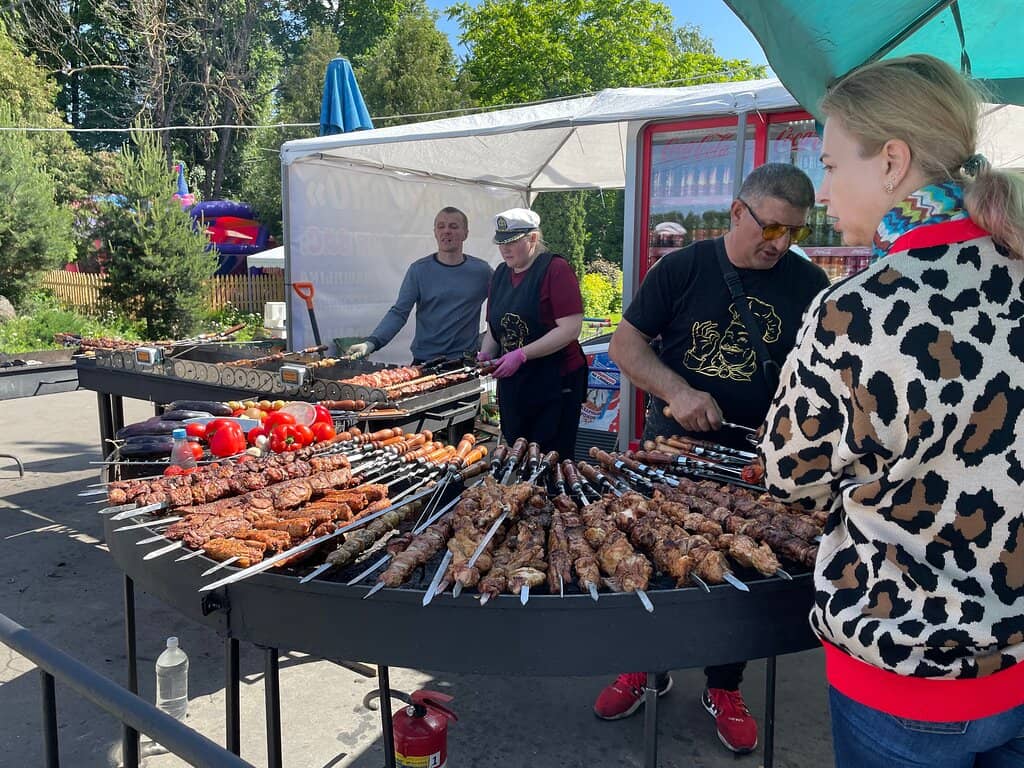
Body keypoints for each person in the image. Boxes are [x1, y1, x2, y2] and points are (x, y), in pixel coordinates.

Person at [760, 54, 1024, 768]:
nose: (823, 189)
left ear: (892, 162)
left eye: (832, 163)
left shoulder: (856, 309)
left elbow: (789, 477)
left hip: (905, 671)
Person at [598, 163, 830, 753]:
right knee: (648, 556)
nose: (779, 243)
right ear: (738, 213)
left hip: (756, 462)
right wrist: (677, 391)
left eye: (794, 232)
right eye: (771, 227)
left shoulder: (807, 285)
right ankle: (642, 667)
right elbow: (625, 346)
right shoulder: (682, 269)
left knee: (742, 577)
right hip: (671, 453)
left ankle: (724, 685)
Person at [478, 208, 587, 459]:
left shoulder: (555, 270)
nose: (505, 249)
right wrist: (486, 353)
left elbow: (570, 329)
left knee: (551, 458)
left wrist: (522, 355)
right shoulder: (501, 274)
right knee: (517, 454)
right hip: (516, 385)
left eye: (512, 242)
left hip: (555, 383)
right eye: (501, 243)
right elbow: (495, 329)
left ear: (533, 239)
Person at [346, 207, 492, 363]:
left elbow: (506, 302)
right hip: (424, 362)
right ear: (435, 232)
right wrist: (371, 343)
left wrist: (487, 343)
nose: (446, 231)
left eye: (453, 226)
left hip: (464, 363)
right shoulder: (419, 270)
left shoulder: (482, 272)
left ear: (466, 234)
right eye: (441, 226)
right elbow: (399, 313)